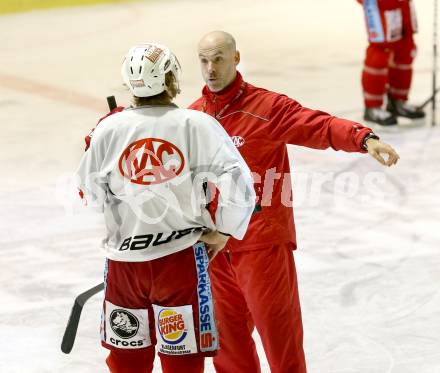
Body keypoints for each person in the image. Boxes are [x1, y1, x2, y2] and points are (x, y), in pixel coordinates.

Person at [189, 31, 400, 373]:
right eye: (204, 60)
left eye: (219, 59)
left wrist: (363, 138)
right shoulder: (193, 118)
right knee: (227, 347)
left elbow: (318, 125)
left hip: (261, 245)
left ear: (236, 58)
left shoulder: (266, 107)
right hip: (213, 250)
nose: (211, 68)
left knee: (280, 340)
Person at [76, 42, 256, 373]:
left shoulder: (108, 128)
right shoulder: (197, 124)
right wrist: (224, 230)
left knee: (127, 362)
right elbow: (240, 185)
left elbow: (89, 194)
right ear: (170, 79)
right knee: (183, 361)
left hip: (124, 267)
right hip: (181, 261)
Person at [357, 0, 425, 126]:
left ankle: (398, 102)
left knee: (405, 48)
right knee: (380, 51)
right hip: (378, 4)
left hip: (402, 4)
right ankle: (373, 108)